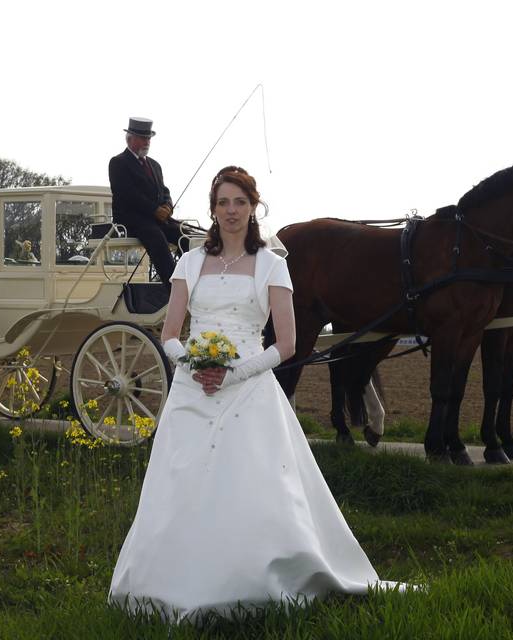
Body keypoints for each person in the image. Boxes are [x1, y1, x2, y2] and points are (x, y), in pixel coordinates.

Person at [108, 166, 406, 622]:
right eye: (223, 202)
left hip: (249, 386)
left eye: (240, 202)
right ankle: (169, 580)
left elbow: (285, 344)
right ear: (213, 209)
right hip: (193, 388)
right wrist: (193, 365)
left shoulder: (273, 264)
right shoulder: (189, 263)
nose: (231, 211)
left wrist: (233, 374)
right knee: (183, 484)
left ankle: (253, 579)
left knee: (251, 485)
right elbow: (171, 334)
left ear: (253, 207)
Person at [108, 117, 188, 287]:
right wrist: (154, 210)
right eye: (143, 138)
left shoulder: (154, 165)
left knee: (186, 235)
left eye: (149, 138)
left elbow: (164, 190)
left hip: (157, 218)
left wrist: (168, 206)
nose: (147, 142)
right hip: (132, 219)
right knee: (156, 238)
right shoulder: (118, 163)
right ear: (130, 139)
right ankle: (173, 288)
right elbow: (128, 194)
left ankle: (193, 279)